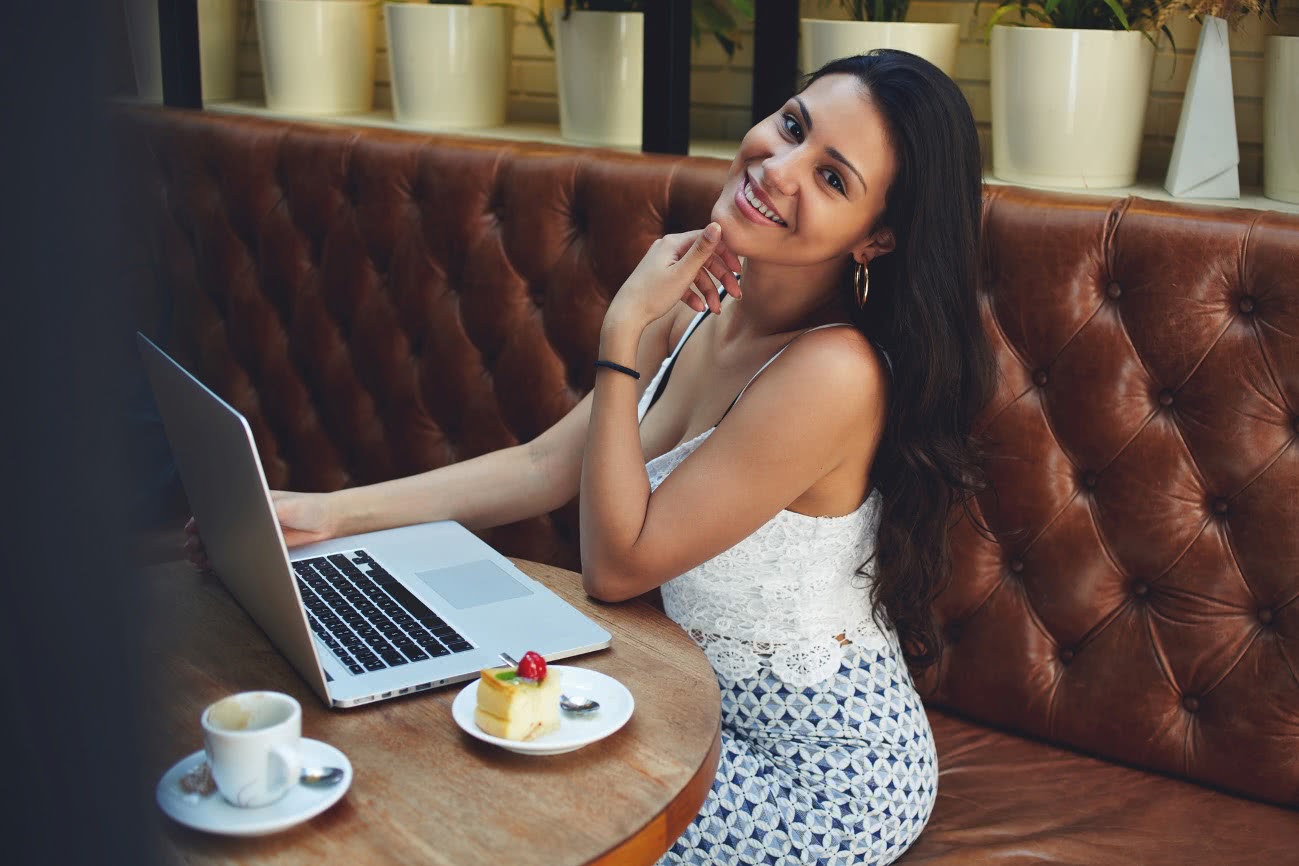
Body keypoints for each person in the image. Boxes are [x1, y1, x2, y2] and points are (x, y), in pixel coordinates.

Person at [187, 50, 993, 866]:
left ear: (876, 238)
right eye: (791, 126)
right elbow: (543, 466)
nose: (778, 168)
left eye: (831, 178)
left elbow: (617, 567)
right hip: (685, 708)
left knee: (486, 800)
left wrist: (623, 329)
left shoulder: (833, 373)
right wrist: (325, 514)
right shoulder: (705, 304)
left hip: (818, 776)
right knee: (422, 725)